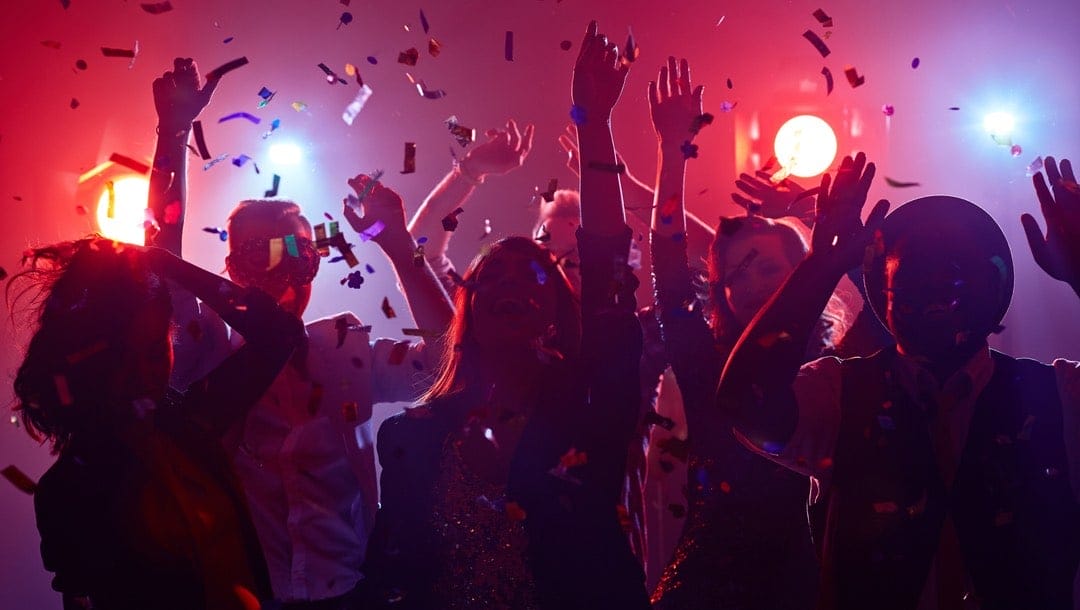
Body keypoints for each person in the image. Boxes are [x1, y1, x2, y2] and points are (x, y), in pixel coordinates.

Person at [360, 21, 650, 609]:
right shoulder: (411, 436)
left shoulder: (595, 403)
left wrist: (595, 126)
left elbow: (607, 258)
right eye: (492, 276)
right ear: (468, 307)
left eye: (536, 273)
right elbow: (392, 578)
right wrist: (444, 194)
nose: (512, 283)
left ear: (560, 309)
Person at [147, 57, 454, 609]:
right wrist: (172, 132)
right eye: (266, 252)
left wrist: (397, 242)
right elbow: (159, 257)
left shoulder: (343, 352)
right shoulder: (210, 350)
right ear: (232, 268)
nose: (289, 267)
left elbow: (444, 363)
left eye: (302, 251)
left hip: (353, 596)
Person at [717, 153, 1080, 609]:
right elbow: (745, 403)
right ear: (881, 298)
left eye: (954, 275)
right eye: (912, 279)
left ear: (997, 288)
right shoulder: (837, 395)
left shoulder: (1059, 399)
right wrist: (822, 265)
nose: (935, 297)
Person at [645, 57, 850, 610]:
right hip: (711, 589)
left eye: (767, 266)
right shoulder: (704, 363)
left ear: (799, 272)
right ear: (722, 297)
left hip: (815, 587)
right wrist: (672, 150)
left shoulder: (840, 369)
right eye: (737, 274)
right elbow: (665, 264)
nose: (755, 283)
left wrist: (805, 221)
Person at [12, 237, 304, 610]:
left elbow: (279, 333)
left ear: (172, 337)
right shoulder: (68, 489)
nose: (141, 374)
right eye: (121, 356)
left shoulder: (193, 421)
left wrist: (170, 266)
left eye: (154, 351)